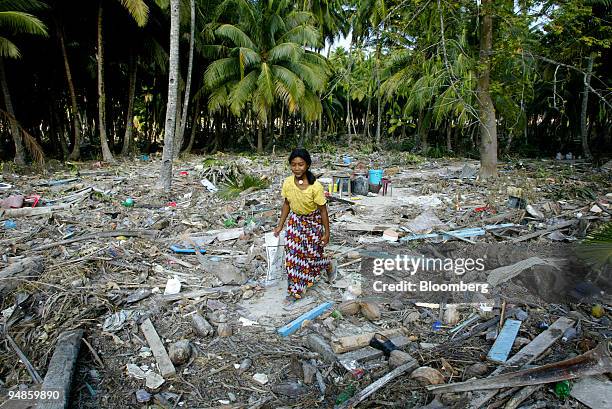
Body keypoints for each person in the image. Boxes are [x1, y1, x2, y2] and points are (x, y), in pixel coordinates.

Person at [273, 148, 336, 302]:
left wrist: (326, 233)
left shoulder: (316, 187)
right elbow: (286, 204)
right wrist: (280, 225)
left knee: (312, 257)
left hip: (313, 222)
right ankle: (296, 289)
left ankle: (327, 264)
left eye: (300, 164)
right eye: (293, 165)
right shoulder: (288, 183)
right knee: (293, 255)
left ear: (307, 165)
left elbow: (323, 211)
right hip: (295, 221)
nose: (297, 168)